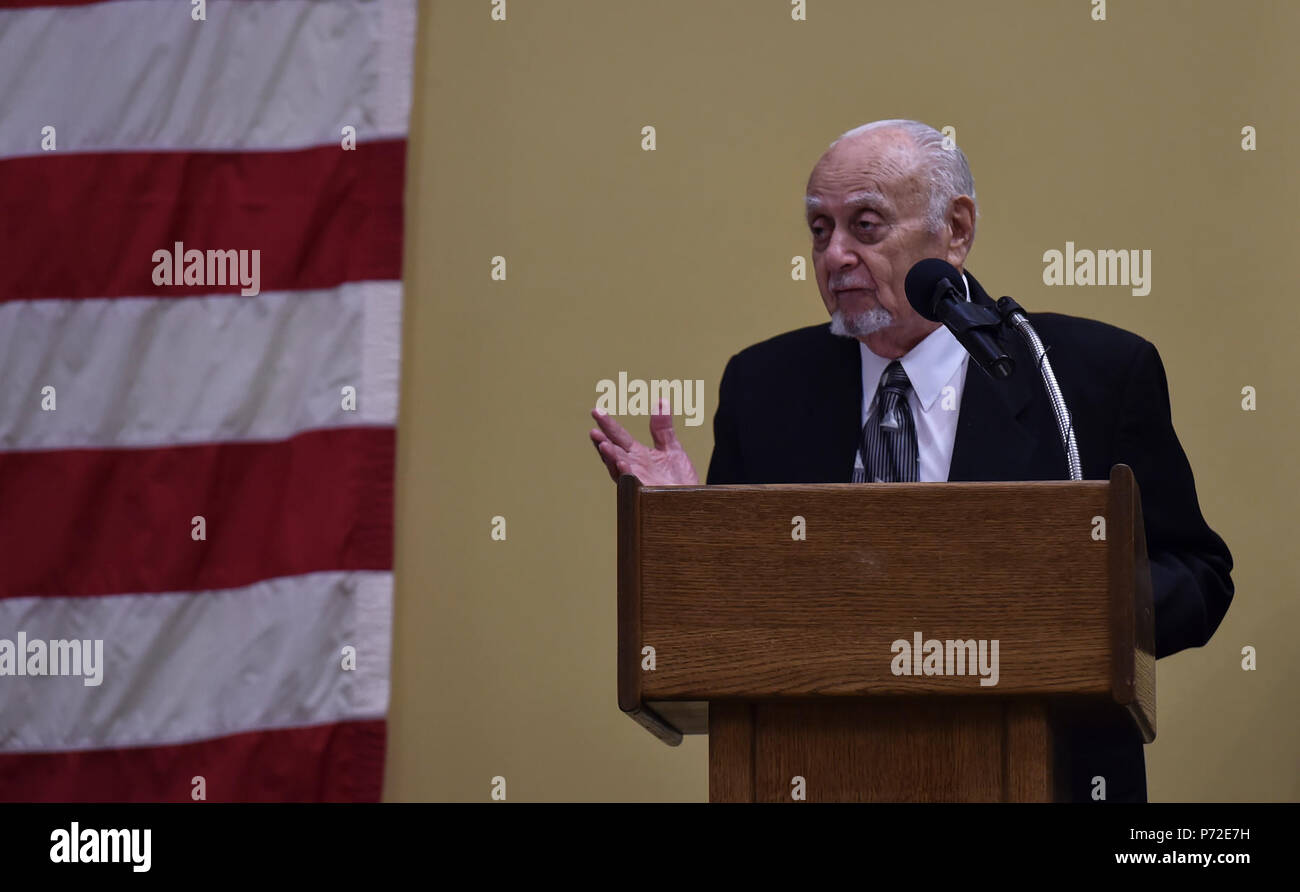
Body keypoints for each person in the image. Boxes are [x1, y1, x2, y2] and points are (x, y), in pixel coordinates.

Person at [586, 119, 1234, 802]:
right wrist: (687, 531)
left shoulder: (1082, 373)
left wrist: (1074, 609)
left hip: (1047, 772)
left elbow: (1197, 575)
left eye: (865, 226)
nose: (834, 255)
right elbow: (736, 619)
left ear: (955, 229)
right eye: (818, 229)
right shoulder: (763, 386)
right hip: (816, 772)